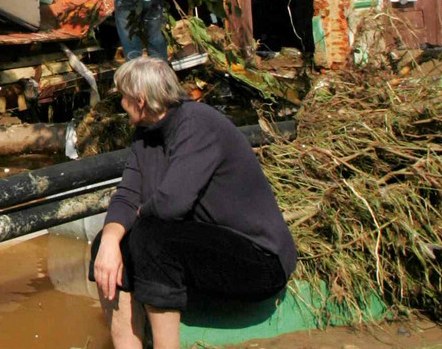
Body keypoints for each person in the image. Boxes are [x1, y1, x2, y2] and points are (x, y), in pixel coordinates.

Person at [90, 58, 297, 349]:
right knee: (106, 244)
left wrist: (137, 215)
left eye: (124, 97)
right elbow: (126, 194)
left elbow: (171, 204)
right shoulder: (145, 136)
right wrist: (111, 238)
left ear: (140, 101)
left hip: (258, 259)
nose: (121, 104)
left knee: (151, 235)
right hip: (205, 248)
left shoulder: (198, 125)